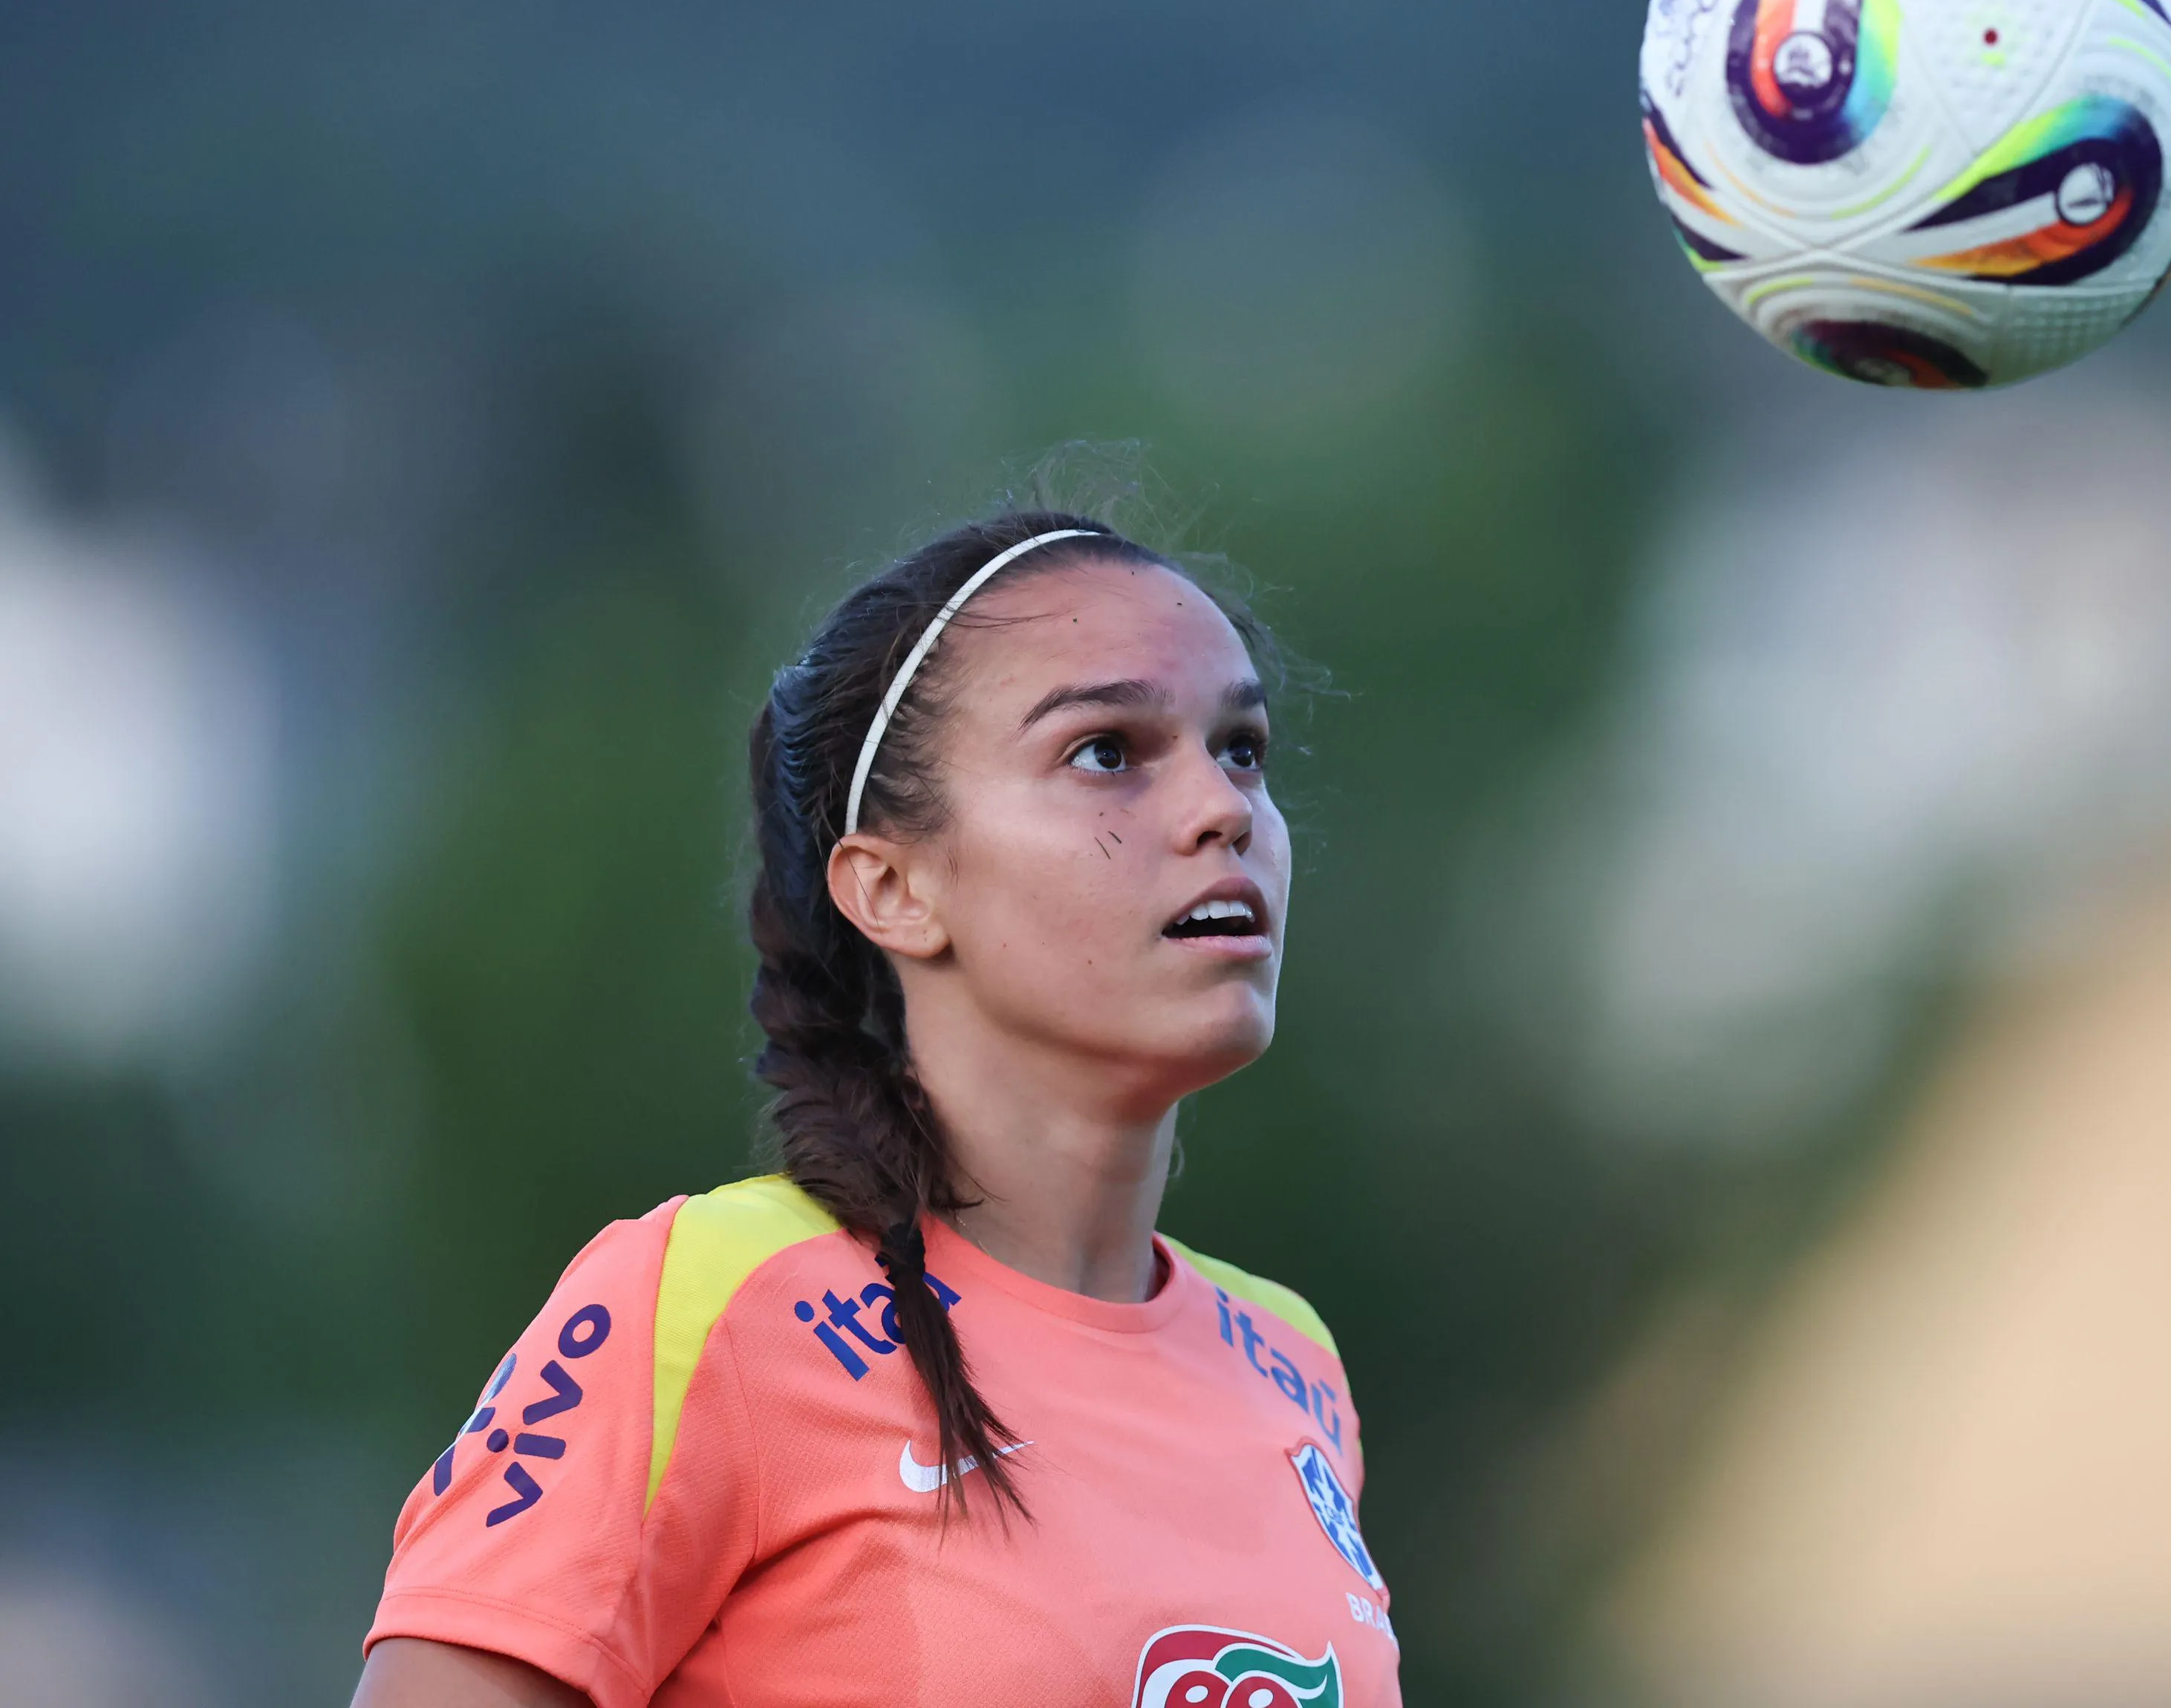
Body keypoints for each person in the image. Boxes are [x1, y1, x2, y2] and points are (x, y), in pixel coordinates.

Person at [354, 507, 1399, 1708]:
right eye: (1108, 751)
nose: (1223, 808)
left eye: (1243, 749)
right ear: (893, 886)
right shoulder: (709, 1305)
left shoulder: (1291, 1362)